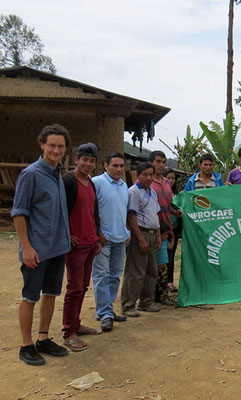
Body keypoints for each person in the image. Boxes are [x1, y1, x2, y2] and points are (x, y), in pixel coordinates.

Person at [12, 124, 71, 365]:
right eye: (52, 145)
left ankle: (43, 338)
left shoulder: (58, 174)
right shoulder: (31, 174)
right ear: (42, 145)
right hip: (36, 250)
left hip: (58, 248)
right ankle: (26, 345)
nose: (56, 150)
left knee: (51, 294)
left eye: (60, 146)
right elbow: (19, 213)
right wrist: (26, 247)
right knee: (30, 296)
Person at [61, 143, 103, 352]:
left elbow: (93, 212)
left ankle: (76, 324)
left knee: (84, 286)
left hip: (89, 242)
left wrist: (96, 236)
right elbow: (59, 210)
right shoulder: (68, 181)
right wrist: (66, 234)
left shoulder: (90, 183)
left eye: (92, 160)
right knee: (74, 288)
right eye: (84, 159)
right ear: (76, 159)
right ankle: (69, 332)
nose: (88, 164)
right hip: (75, 245)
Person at [92, 152, 130, 332]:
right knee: (101, 276)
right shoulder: (97, 183)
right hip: (102, 239)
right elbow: (89, 210)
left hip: (120, 238)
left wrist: (126, 231)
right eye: (115, 165)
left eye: (122, 166)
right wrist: (97, 232)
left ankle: (106, 311)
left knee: (115, 275)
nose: (119, 169)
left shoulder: (124, 186)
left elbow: (122, 211)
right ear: (106, 166)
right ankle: (106, 313)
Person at [121, 162, 162, 317]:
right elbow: (131, 216)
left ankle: (146, 301)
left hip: (152, 234)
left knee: (151, 271)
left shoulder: (152, 192)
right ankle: (128, 305)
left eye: (151, 174)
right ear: (137, 175)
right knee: (135, 272)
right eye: (145, 174)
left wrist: (157, 236)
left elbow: (155, 215)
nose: (148, 177)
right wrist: (140, 239)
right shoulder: (134, 192)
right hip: (141, 234)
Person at [149, 151, 182, 230]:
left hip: (167, 227)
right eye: (158, 161)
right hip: (151, 228)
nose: (161, 165)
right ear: (150, 163)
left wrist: (175, 212)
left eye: (163, 162)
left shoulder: (167, 182)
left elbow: (167, 205)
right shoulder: (145, 182)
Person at [164, 169, 181, 293]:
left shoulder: (178, 195)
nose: (170, 180)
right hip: (162, 229)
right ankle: (161, 282)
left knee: (171, 256)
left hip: (174, 229)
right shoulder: (161, 193)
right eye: (168, 178)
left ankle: (170, 281)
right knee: (161, 257)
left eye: (173, 178)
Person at [155, 221, 176, 306]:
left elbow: (170, 247)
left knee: (164, 284)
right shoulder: (156, 243)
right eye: (165, 234)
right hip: (156, 268)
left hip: (164, 268)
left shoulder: (165, 242)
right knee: (155, 284)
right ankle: (156, 298)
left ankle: (164, 298)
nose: (166, 236)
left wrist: (173, 238)